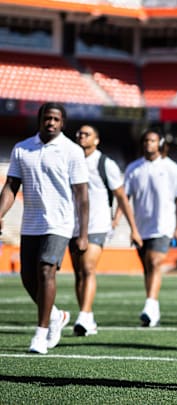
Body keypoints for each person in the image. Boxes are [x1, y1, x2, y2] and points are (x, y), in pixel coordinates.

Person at [0, 102, 89, 354]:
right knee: (28, 278)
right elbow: (10, 187)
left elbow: (82, 195)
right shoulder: (22, 149)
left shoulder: (72, 151)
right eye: (47, 118)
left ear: (62, 123)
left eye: (56, 119)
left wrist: (82, 234)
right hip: (31, 223)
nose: (51, 122)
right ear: (40, 120)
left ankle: (40, 334)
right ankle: (56, 316)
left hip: (60, 223)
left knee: (46, 270)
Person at [70, 125, 142, 336]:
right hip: (72, 224)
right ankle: (88, 316)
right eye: (79, 134)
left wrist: (133, 228)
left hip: (97, 223)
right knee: (78, 273)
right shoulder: (71, 160)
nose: (81, 137)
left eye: (87, 134)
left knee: (88, 268)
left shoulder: (105, 164)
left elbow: (121, 197)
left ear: (97, 140)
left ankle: (83, 315)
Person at [124, 128, 177, 328]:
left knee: (155, 262)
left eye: (152, 140)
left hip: (163, 224)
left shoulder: (171, 168)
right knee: (147, 267)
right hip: (141, 226)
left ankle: (149, 304)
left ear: (159, 143)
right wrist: (117, 220)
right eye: (146, 140)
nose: (148, 144)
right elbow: (125, 197)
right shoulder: (133, 168)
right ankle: (153, 307)